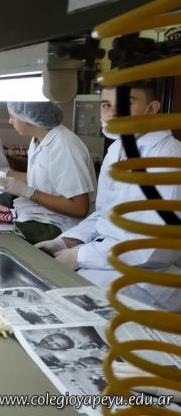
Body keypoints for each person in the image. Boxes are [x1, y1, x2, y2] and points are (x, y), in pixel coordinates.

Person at [35, 81, 181, 311]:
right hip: (107, 259)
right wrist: (66, 241)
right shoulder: (117, 149)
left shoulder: (169, 159)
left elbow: (155, 248)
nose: (113, 113)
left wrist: (79, 256)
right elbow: (104, 215)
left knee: (66, 303)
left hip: (149, 277)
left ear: (152, 109)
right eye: (106, 105)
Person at [0, 101, 96, 244]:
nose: (10, 121)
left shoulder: (64, 147)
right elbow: (41, 178)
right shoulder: (39, 139)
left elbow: (79, 208)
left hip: (62, 226)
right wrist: (6, 173)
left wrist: (29, 193)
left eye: (12, 116)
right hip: (40, 216)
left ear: (28, 118)